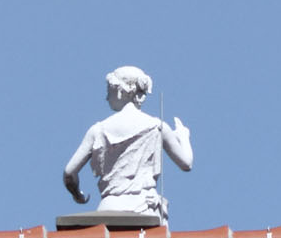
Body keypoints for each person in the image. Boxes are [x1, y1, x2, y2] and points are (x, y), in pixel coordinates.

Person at [62, 66, 195, 219]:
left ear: (119, 92)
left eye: (108, 92)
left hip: (109, 208)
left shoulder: (97, 130)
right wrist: (183, 136)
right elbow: (186, 163)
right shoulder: (158, 127)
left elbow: (69, 172)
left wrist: (76, 193)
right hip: (146, 210)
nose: (106, 98)